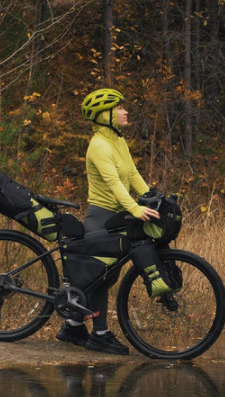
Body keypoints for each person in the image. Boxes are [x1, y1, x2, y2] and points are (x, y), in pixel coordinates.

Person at [56, 88, 160, 355]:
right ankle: (99, 335)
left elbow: (132, 173)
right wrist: (135, 208)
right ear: (105, 115)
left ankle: (73, 325)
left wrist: (150, 197)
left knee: (102, 277)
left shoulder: (118, 141)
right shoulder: (99, 146)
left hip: (116, 217)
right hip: (101, 217)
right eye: (119, 109)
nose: (125, 112)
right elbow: (114, 184)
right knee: (101, 276)